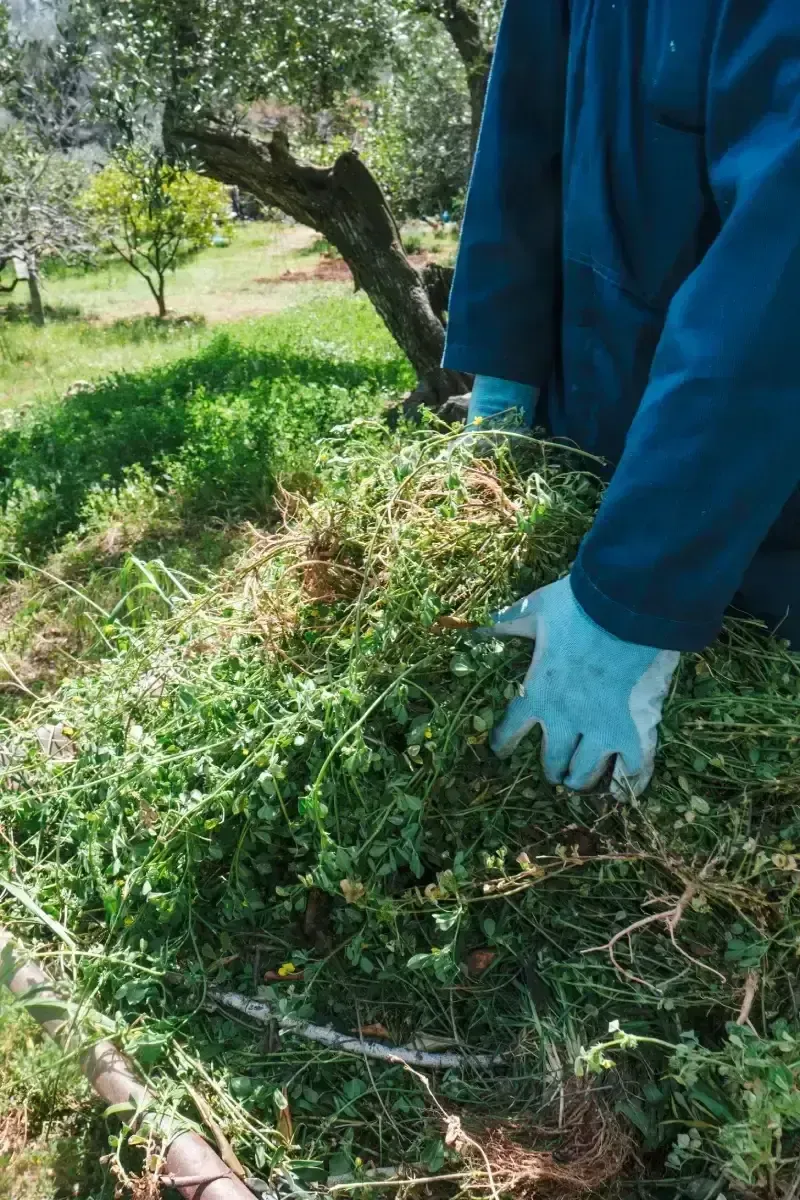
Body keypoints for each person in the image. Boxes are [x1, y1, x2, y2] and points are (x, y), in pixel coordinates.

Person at [443, 0, 800, 796]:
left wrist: (633, 600)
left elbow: (779, 279)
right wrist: (500, 392)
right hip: (591, 489)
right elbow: (524, 129)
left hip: (763, 538)